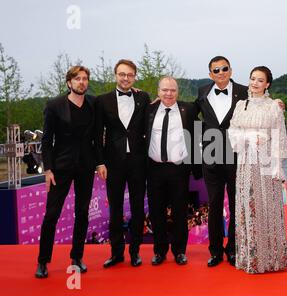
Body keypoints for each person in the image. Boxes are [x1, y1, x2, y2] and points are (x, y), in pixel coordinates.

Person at [35, 66, 96, 278]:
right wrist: (48, 168)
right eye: (77, 79)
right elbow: (46, 140)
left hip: (86, 167)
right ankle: (43, 261)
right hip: (60, 167)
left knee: (82, 212)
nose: (82, 82)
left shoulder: (93, 104)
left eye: (85, 79)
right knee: (52, 214)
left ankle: (77, 257)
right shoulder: (55, 106)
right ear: (69, 82)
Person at [228, 66, 287, 274]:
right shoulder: (240, 105)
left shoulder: (274, 106)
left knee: (268, 206)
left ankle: (271, 258)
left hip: (267, 161)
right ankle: (250, 257)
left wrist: (278, 167)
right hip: (245, 161)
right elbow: (232, 130)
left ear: (267, 84)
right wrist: (246, 137)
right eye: (252, 79)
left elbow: (280, 135)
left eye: (260, 80)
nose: (254, 83)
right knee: (248, 206)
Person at [95, 59, 150, 268]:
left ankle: (135, 251)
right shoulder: (102, 100)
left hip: (138, 162)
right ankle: (116, 252)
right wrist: (100, 162)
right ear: (115, 75)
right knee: (115, 209)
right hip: (113, 163)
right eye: (122, 74)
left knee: (137, 208)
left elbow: (150, 119)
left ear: (135, 76)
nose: (126, 78)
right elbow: (97, 134)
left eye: (129, 74)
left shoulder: (143, 97)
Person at [194, 56, 248, 267]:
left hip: (237, 155)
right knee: (214, 205)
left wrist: (276, 103)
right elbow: (191, 114)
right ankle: (215, 251)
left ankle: (233, 249)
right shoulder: (202, 92)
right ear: (210, 74)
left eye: (224, 68)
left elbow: (259, 106)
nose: (221, 72)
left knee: (236, 205)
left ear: (231, 70)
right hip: (211, 155)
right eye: (216, 70)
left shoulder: (245, 92)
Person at [145, 76, 201, 266]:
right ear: (158, 91)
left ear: (178, 92)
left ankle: (179, 251)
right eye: (165, 90)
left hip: (179, 169)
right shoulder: (148, 109)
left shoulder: (189, 109)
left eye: (173, 90)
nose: (169, 94)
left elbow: (209, 110)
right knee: (156, 211)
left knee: (179, 211)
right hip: (154, 168)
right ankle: (159, 251)